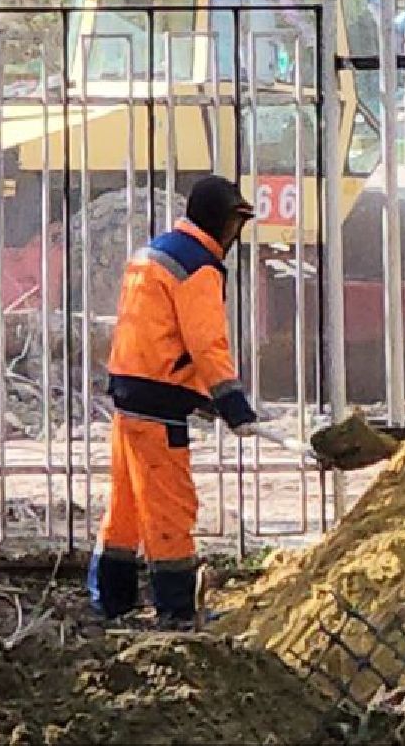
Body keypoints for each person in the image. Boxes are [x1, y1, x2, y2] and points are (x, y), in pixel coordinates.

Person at [87, 176, 260, 626]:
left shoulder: (154, 253)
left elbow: (153, 334)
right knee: (170, 505)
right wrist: (232, 402)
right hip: (158, 404)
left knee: (125, 505)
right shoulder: (198, 266)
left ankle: (112, 599)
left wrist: (196, 396)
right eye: (236, 224)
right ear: (226, 222)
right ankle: (177, 610)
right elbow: (205, 344)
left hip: (129, 392)